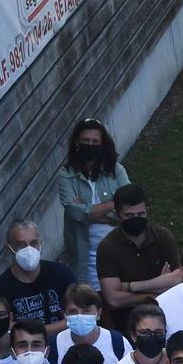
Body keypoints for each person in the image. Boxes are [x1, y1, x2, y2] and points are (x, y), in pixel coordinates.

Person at [96, 185, 183, 333]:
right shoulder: (107, 247)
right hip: (127, 323)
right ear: (117, 214)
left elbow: (177, 279)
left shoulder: (162, 236)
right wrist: (153, 293)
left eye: (141, 214)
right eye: (129, 216)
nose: (136, 219)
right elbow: (113, 299)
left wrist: (131, 287)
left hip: (167, 316)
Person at [57, 118, 128, 283]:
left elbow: (129, 207)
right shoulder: (66, 174)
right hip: (85, 256)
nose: (90, 144)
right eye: (86, 141)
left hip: (119, 248)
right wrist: (113, 204)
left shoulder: (116, 170)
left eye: (95, 141)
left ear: (102, 144)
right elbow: (74, 213)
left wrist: (86, 211)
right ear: (77, 142)